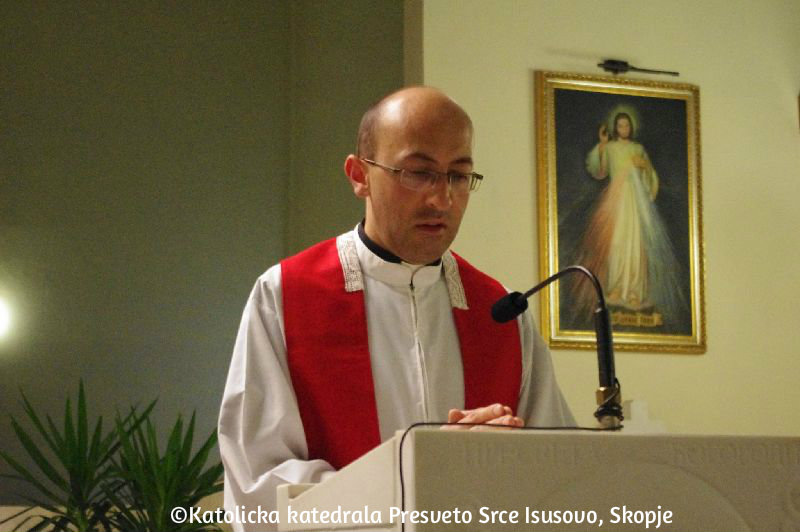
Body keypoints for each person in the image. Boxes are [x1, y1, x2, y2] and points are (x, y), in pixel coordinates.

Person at [217, 87, 574, 528]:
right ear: (359, 175)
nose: (442, 199)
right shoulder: (286, 296)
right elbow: (258, 483)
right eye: (418, 173)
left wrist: (506, 458)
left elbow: (561, 472)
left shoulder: (500, 312)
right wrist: (420, 475)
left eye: (458, 176)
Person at [575, 112, 685, 323]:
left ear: (631, 127)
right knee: (616, 243)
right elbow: (599, 171)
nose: (623, 129)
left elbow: (649, 176)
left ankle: (635, 291)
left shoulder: (638, 149)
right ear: (615, 128)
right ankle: (616, 288)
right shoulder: (610, 147)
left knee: (635, 245)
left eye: (626, 125)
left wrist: (644, 166)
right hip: (616, 201)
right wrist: (602, 145)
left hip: (635, 202)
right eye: (620, 125)